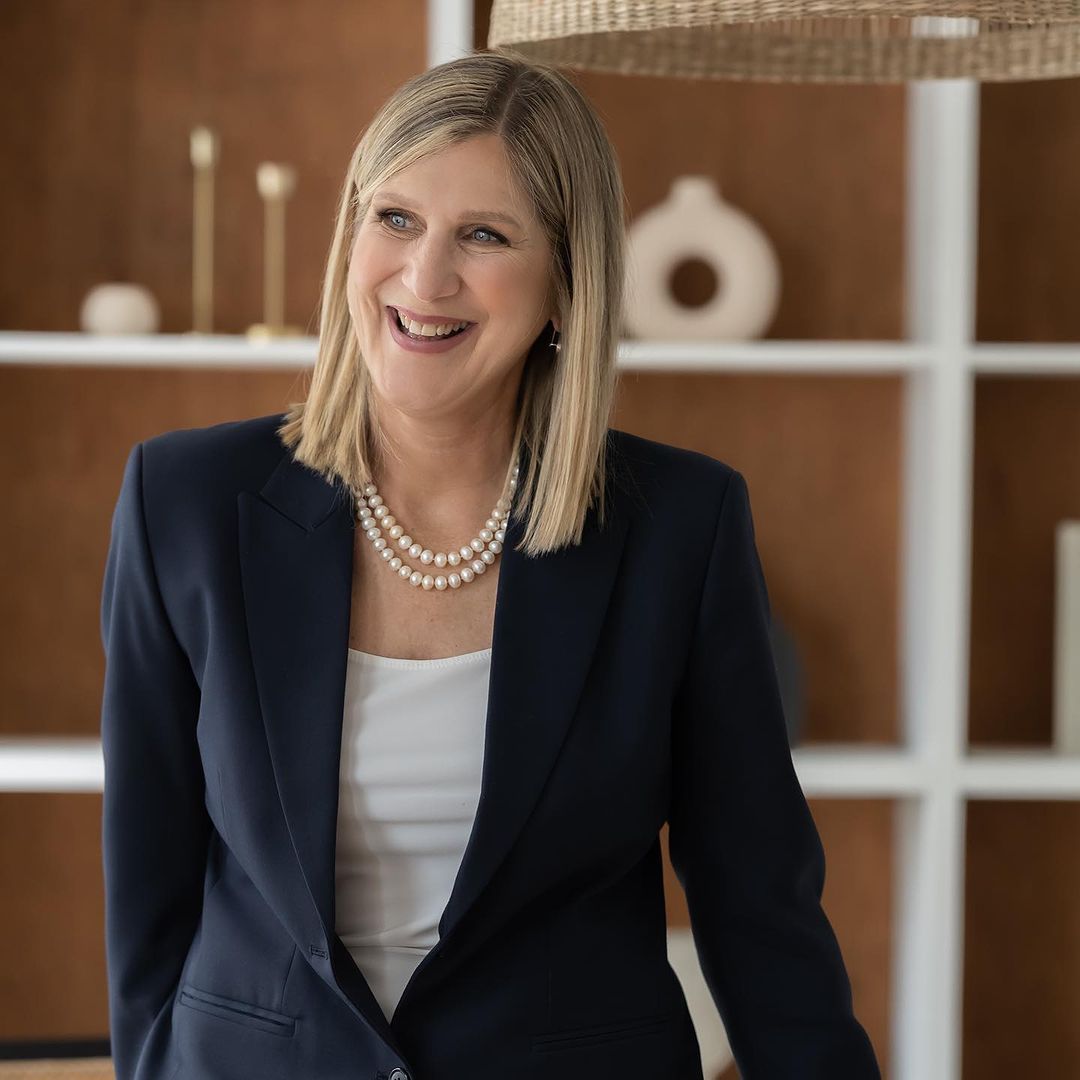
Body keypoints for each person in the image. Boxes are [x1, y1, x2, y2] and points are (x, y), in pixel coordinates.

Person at [99, 50, 881, 1080]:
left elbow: (758, 904)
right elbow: (147, 891)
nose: (425, 279)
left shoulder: (678, 528)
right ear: (350, 238)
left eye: (484, 235)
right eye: (395, 218)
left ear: (566, 287)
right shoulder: (182, 503)